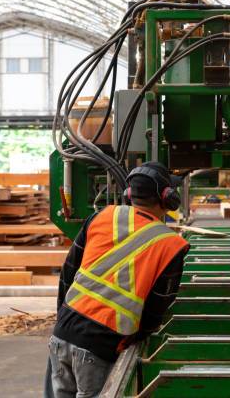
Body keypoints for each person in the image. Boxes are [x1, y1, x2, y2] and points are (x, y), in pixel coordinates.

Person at [46, 162, 190, 398]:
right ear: (168, 199)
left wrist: (61, 318)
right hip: (98, 347)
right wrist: (136, 338)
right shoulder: (171, 245)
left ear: (130, 194)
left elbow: (68, 271)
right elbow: (157, 308)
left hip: (61, 335)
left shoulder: (101, 216)